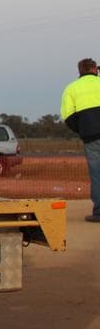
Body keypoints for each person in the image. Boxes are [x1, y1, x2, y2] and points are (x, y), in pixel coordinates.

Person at [60, 57, 100, 223]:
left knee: (97, 174)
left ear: (80, 71)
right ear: (94, 69)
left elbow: (67, 115)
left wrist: (82, 129)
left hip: (91, 137)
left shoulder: (71, 88)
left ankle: (99, 213)